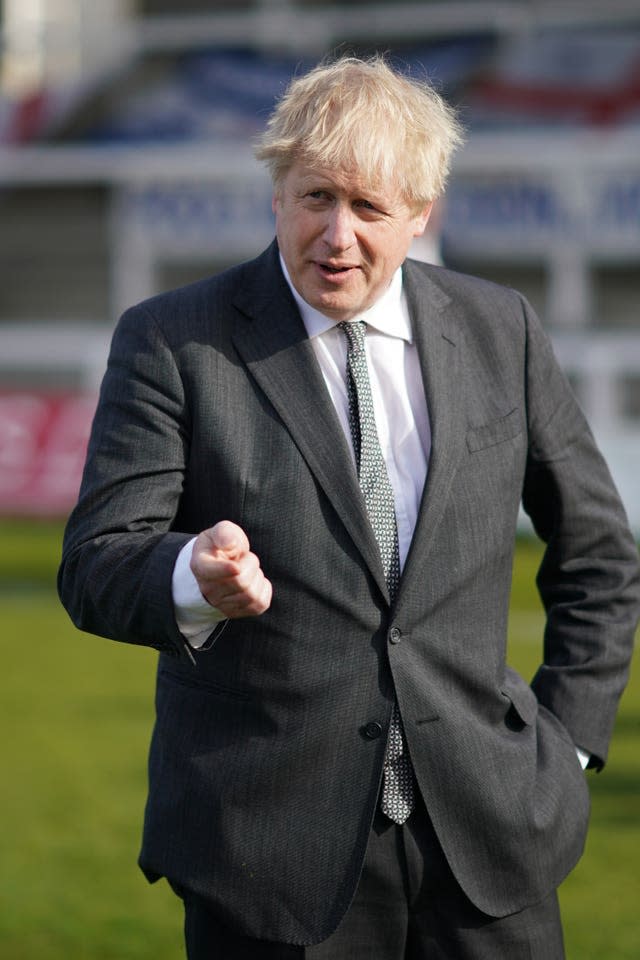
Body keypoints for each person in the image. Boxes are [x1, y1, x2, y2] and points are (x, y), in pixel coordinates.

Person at [58, 55, 640, 959]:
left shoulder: (503, 330)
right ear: (277, 193)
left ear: (422, 213)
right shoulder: (174, 340)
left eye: (369, 208)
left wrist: (563, 750)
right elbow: (96, 560)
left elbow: (599, 554)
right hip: (269, 857)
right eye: (315, 197)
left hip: (489, 844)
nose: (337, 235)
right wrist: (188, 577)